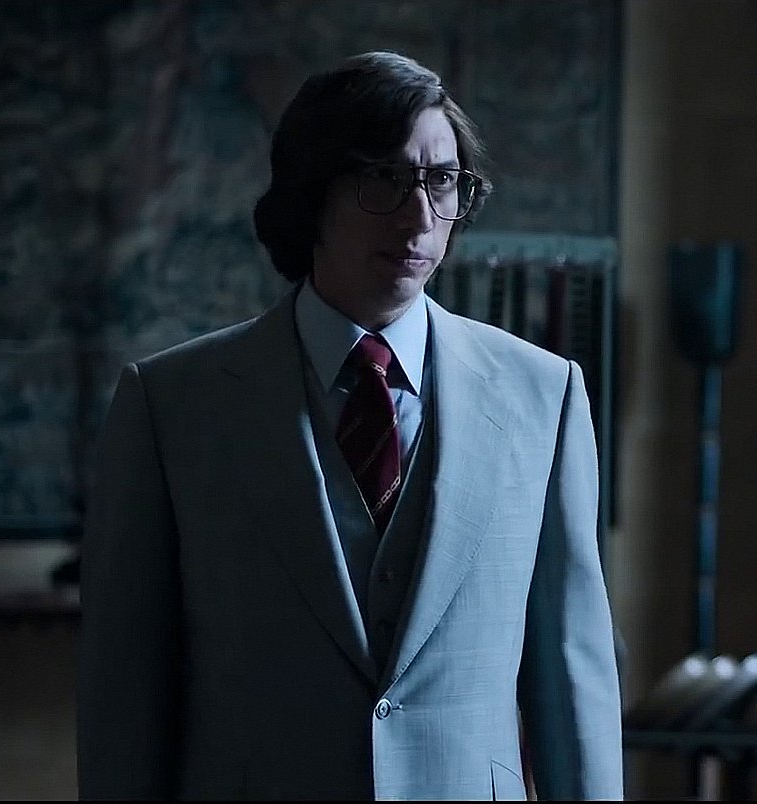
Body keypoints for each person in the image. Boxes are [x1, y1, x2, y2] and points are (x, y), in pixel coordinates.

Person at [75, 50, 624, 800]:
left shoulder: (543, 395)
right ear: (312, 191)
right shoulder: (172, 404)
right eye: (383, 179)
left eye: (441, 181)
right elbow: (124, 691)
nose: (419, 217)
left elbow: (570, 673)